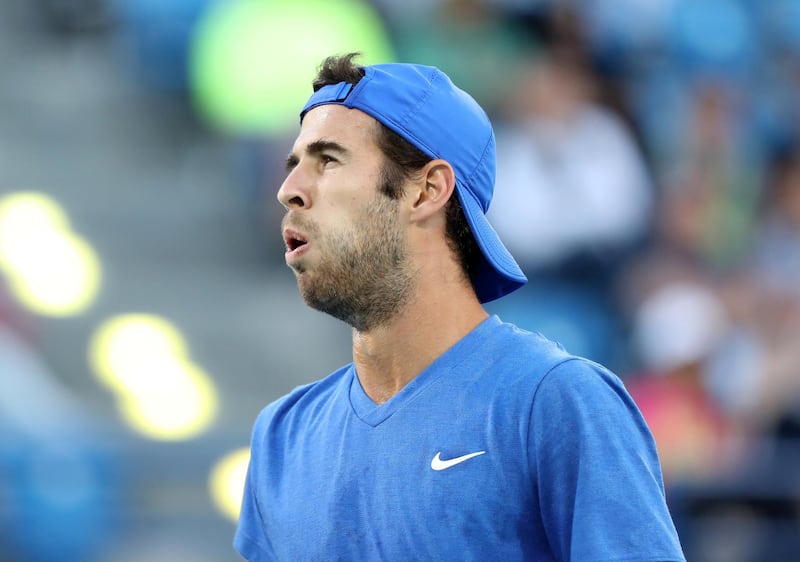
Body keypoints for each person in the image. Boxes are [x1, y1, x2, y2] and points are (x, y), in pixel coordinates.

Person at [234, 53, 685, 561]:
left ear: (428, 190)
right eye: (294, 165)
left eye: (329, 160)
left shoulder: (557, 403)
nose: (288, 190)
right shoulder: (282, 435)